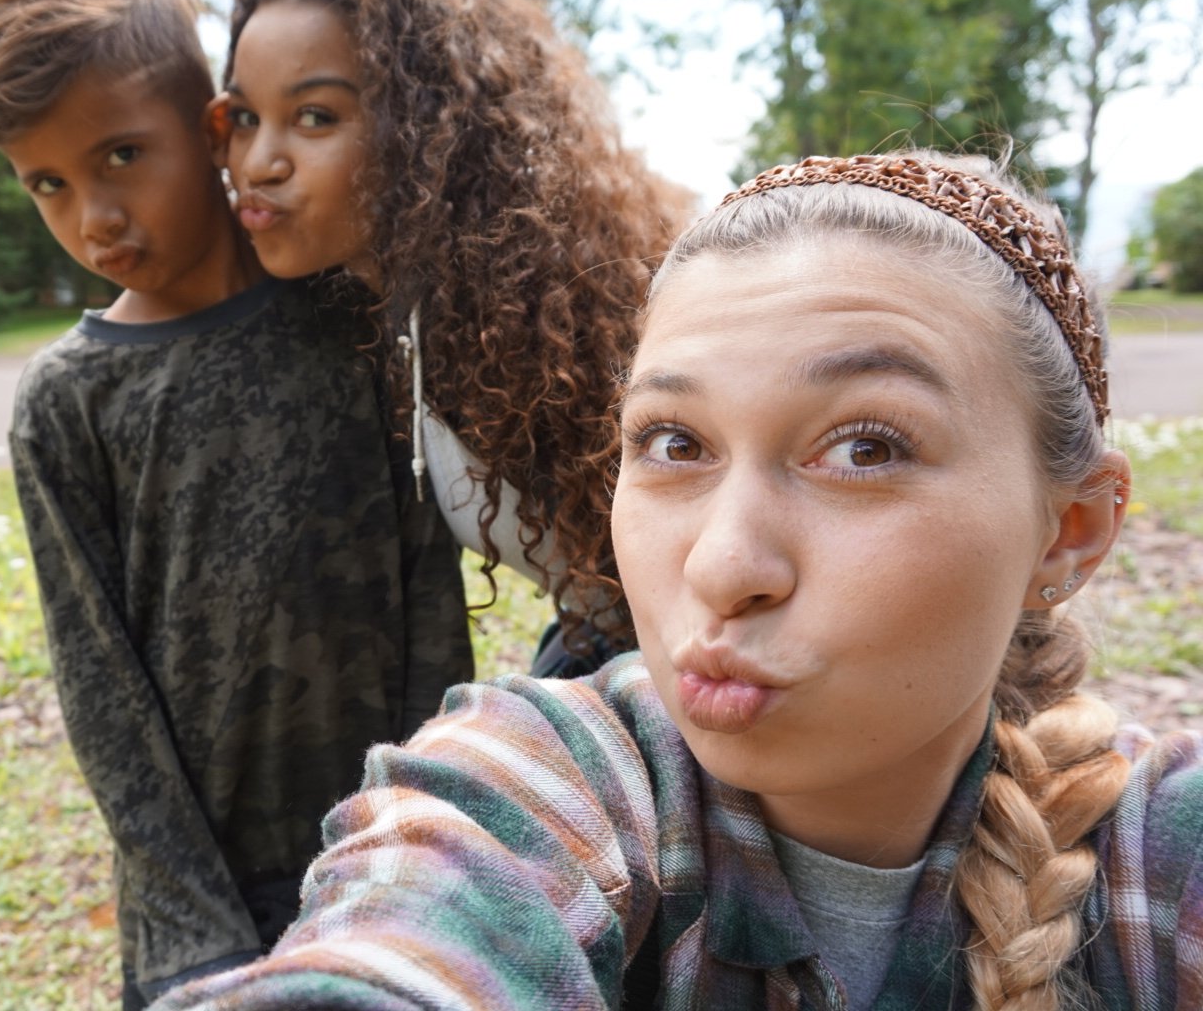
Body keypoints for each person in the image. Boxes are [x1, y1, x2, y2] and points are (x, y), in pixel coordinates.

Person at [151, 152, 1203, 1010]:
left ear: (1067, 530)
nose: (719, 563)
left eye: (865, 449)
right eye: (672, 442)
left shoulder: (1157, 861)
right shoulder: (545, 788)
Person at [0, 0, 474, 1006]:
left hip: (384, 852)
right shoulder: (67, 402)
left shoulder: (351, 315)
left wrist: (415, 833)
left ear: (213, 125)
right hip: (200, 905)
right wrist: (195, 933)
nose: (94, 218)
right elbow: (103, 691)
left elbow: (425, 592)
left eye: (120, 155)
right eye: (47, 183)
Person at [216, 0, 693, 668]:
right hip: (604, 643)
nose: (258, 163)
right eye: (243, 118)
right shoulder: (377, 314)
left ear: (426, 132)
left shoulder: (545, 314)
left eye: (314, 117)